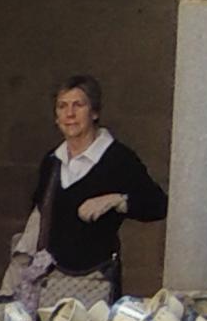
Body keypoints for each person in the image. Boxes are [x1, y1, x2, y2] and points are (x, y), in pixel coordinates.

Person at [11, 72, 167, 300]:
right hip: (50, 282)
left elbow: (157, 205)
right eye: (62, 107)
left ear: (94, 112)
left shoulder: (117, 158)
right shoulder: (52, 162)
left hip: (95, 281)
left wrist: (117, 200)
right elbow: (39, 218)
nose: (70, 114)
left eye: (78, 105)